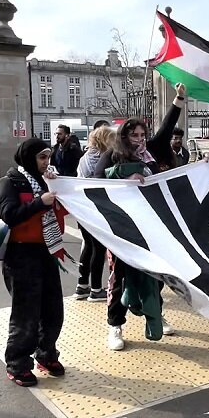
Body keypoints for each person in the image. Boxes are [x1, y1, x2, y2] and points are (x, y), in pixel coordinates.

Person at [95, 117, 181, 349]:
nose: (140, 140)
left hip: (149, 228)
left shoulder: (150, 158)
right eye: (135, 135)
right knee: (118, 278)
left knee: (155, 275)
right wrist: (124, 179)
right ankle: (115, 325)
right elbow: (94, 183)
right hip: (120, 228)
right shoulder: (112, 155)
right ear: (124, 136)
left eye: (143, 135)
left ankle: (156, 313)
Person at [0, 138, 68, 387]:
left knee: (53, 310)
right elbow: (10, 215)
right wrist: (39, 203)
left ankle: (46, 354)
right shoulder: (9, 183)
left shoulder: (48, 181)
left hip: (46, 252)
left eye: (49, 156)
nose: (47, 162)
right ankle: (18, 363)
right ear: (28, 158)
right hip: (20, 255)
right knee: (26, 314)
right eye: (42, 157)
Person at [76, 125, 118, 301]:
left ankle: (82, 285)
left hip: (80, 207)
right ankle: (96, 289)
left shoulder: (86, 156)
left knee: (88, 246)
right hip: (94, 209)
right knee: (98, 248)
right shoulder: (100, 159)